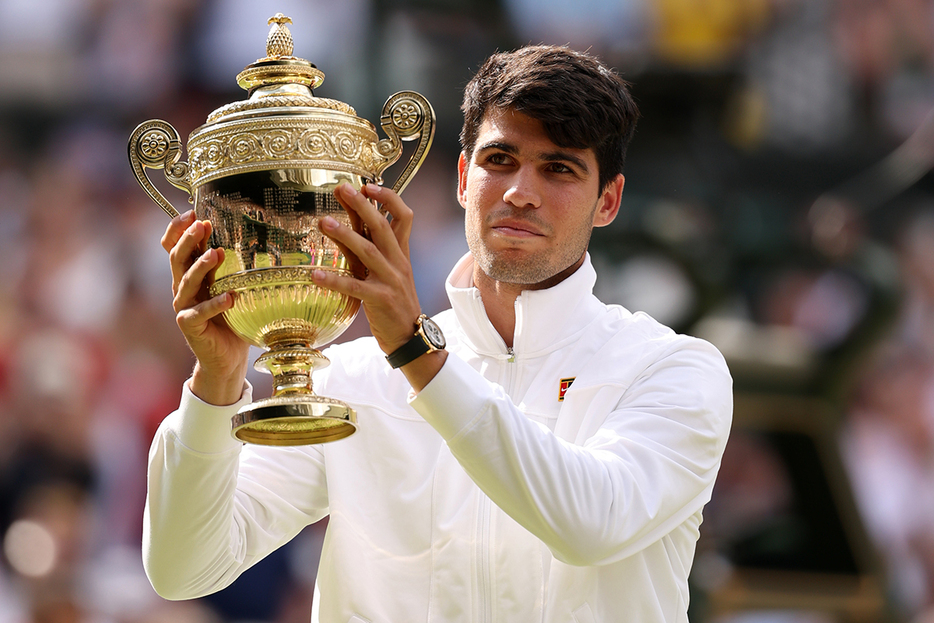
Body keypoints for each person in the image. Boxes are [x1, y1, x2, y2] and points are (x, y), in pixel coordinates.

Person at [144, 45, 733, 622]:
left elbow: (591, 525)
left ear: (608, 201)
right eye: (499, 160)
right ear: (461, 178)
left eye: (558, 168)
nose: (519, 192)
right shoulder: (351, 381)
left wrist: (414, 351)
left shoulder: (675, 369)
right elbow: (184, 570)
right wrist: (216, 383)